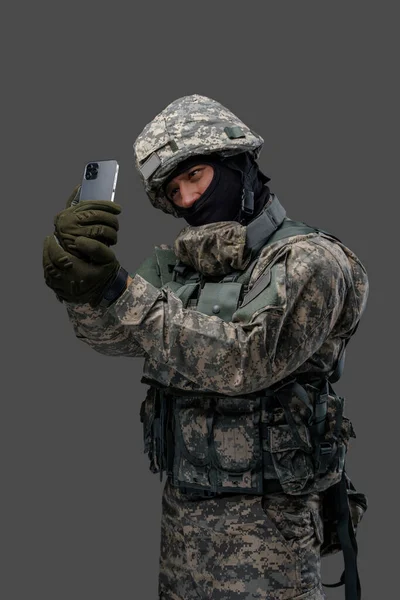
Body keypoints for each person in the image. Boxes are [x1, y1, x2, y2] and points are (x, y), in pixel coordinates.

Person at [42, 94, 369, 600]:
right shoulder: (180, 268)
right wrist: (81, 288)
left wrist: (120, 290)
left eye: (195, 176)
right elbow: (112, 337)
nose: (188, 200)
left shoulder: (312, 262)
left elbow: (246, 360)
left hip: (268, 535)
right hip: (182, 524)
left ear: (239, 163)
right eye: (174, 191)